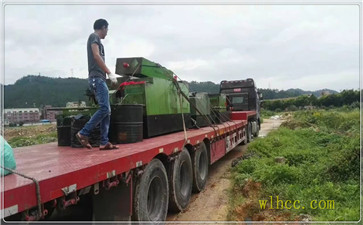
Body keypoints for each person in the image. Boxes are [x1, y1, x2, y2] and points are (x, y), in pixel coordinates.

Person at [76, 18, 119, 150]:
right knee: (104, 108)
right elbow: (95, 56)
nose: (107, 33)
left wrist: (106, 76)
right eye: (107, 29)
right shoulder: (94, 37)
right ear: (103, 27)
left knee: (108, 111)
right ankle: (83, 133)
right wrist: (109, 73)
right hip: (97, 78)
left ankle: (104, 141)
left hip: (100, 78)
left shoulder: (100, 43)